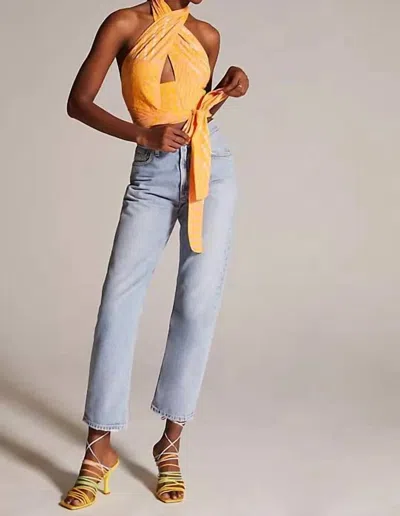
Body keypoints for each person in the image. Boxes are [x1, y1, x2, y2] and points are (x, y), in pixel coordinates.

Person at [60, 0, 249, 509]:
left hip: (213, 169)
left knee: (197, 303)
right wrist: (143, 134)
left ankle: (170, 445)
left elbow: (197, 112)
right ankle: (99, 449)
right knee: (118, 303)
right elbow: (78, 102)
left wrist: (225, 89)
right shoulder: (124, 23)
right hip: (152, 174)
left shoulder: (206, 35)